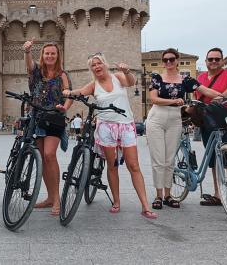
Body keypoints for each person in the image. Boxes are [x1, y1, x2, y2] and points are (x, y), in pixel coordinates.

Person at [64, 52, 157, 219]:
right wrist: (67, 93)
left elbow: (131, 82)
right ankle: (116, 201)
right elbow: (80, 92)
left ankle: (145, 205)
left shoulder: (118, 77)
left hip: (126, 125)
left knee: (133, 165)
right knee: (112, 165)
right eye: (93, 65)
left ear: (105, 64)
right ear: (91, 69)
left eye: (99, 63)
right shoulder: (93, 85)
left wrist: (128, 71)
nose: (97, 67)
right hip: (106, 127)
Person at [147, 48, 221, 210]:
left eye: (171, 59)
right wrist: (173, 102)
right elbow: (153, 98)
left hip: (175, 119)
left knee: (169, 160)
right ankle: (158, 195)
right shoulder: (157, 78)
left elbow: (205, 90)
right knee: (158, 159)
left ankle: (168, 195)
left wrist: (225, 96)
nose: (168, 62)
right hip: (156, 118)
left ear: (177, 60)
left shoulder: (186, 79)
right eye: (165, 60)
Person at [23, 39, 72, 216]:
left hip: (54, 118)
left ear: (57, 56)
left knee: (50, 155)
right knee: (42, 159)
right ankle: (50, 197)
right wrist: (27, 52)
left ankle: (57, 198)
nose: (50, 56)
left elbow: (69, 93)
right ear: (42, 55)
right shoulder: (37, 72)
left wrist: (65, 107)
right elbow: (29, 65)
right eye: (47, 53)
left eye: (53, 53)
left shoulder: (63, 75)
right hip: (37, 118)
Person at [196, 47, 227, 210]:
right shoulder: (200, 77)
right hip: (207, 120)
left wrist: (218, 98)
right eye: (210, 59)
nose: (214, 61)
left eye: (217, 59)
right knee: (213, 159)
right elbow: (199, 95)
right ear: (206, 61)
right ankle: (217, 194)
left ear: (222, 61)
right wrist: (225, 96)